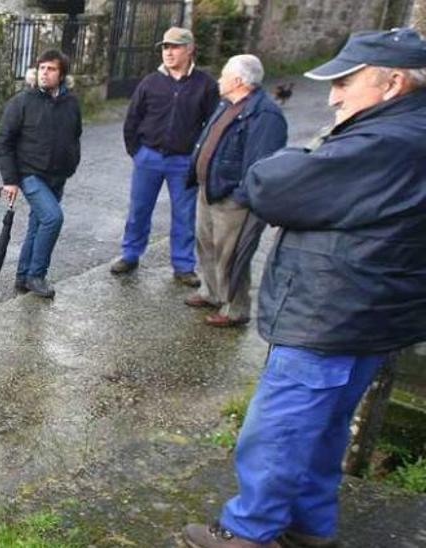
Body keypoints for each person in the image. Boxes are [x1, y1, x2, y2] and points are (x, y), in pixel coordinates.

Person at [181, 28, 426, 548]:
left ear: (393, 82)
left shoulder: (386, 140)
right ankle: (311, 525)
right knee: (325, 427)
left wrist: (313, 148)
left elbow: (271, 185)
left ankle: (248, 530)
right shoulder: (410, 130)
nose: (334, 95)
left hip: (332, 309)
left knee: (280, 428)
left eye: (346, 82)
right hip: (369, 311)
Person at [184, 54, 287, 327]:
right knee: (206, 245)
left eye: (224, 75)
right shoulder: (227, 103)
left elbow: (262, 164)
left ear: (239, 81)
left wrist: (241, 196)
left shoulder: (265, 114)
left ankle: (236, 308)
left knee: (231, 254)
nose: (219, 79)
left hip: (232, 199)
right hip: (209, 190)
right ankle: (212, 291)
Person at [113, 27, 220, 287]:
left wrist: (198, 157)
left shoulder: (204, 84)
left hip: (183, 162)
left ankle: (183, 266)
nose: (168, 52)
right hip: (148, 157)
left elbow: (212, 125)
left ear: (190, 49)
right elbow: (133, 119)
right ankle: (130, 254)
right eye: (165, 47)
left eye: (175, 47)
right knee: (139, 209)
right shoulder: (150, 82)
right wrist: (136, 152)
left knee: (184, 214)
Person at [0, 49, 83, 299]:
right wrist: (10, 180)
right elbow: (3, 141)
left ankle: (23, 276)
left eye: (51, 68)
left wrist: (72, 163)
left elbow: (75, 135)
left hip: (58, 176)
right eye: (42, 68)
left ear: (61, 74)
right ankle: (37, 275)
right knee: (53, 218)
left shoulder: (71, 102)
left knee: (38, 224)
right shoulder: (22, 102)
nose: (45, 73)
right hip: (30, 174)